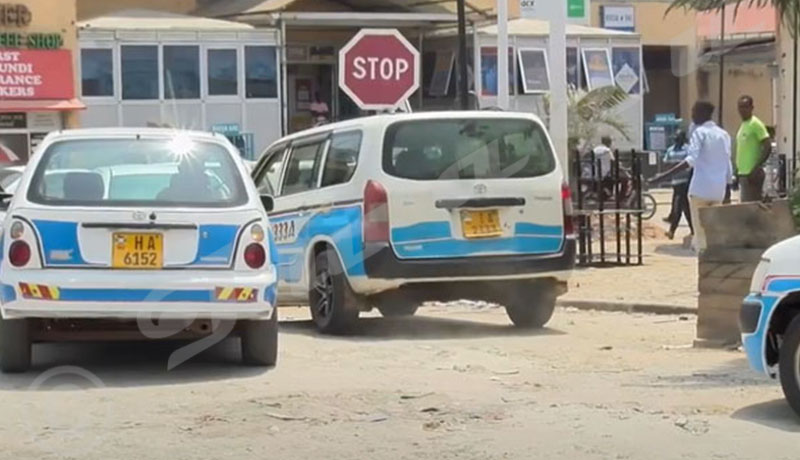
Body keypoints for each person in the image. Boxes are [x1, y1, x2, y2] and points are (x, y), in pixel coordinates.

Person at [649, 102, 731, 251]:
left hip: (700, 190)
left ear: (702, 113)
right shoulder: (723, 135)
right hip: (718, 191)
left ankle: (703, 262)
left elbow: (691, 160)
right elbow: (727, 162)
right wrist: (728, 187)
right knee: (714, 231)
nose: (692, 116)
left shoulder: (699, 133)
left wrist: (662, 177)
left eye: (694, 112)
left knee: (700, 234)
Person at [735, 95, 771, 202]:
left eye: (745, 107)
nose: (742, 110)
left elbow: (767, 146)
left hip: (752, 175)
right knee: (747, 209)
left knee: (752, 210)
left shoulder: (756, 124)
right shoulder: (743, 125)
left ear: (751, 108)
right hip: (743, 174)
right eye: (740, 107)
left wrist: (757, 167)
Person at [662, 130, 693, 240]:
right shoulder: (670, 150)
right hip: (675, 182)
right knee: (684, 207)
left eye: (678, 136)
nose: (676, 137)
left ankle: (672, 231)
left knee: (678, 206)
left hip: (685, 182)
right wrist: (675, 165)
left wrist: (675, 165)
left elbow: (689, 164)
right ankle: (693, 229)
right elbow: (665, 163)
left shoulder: (687, 149)